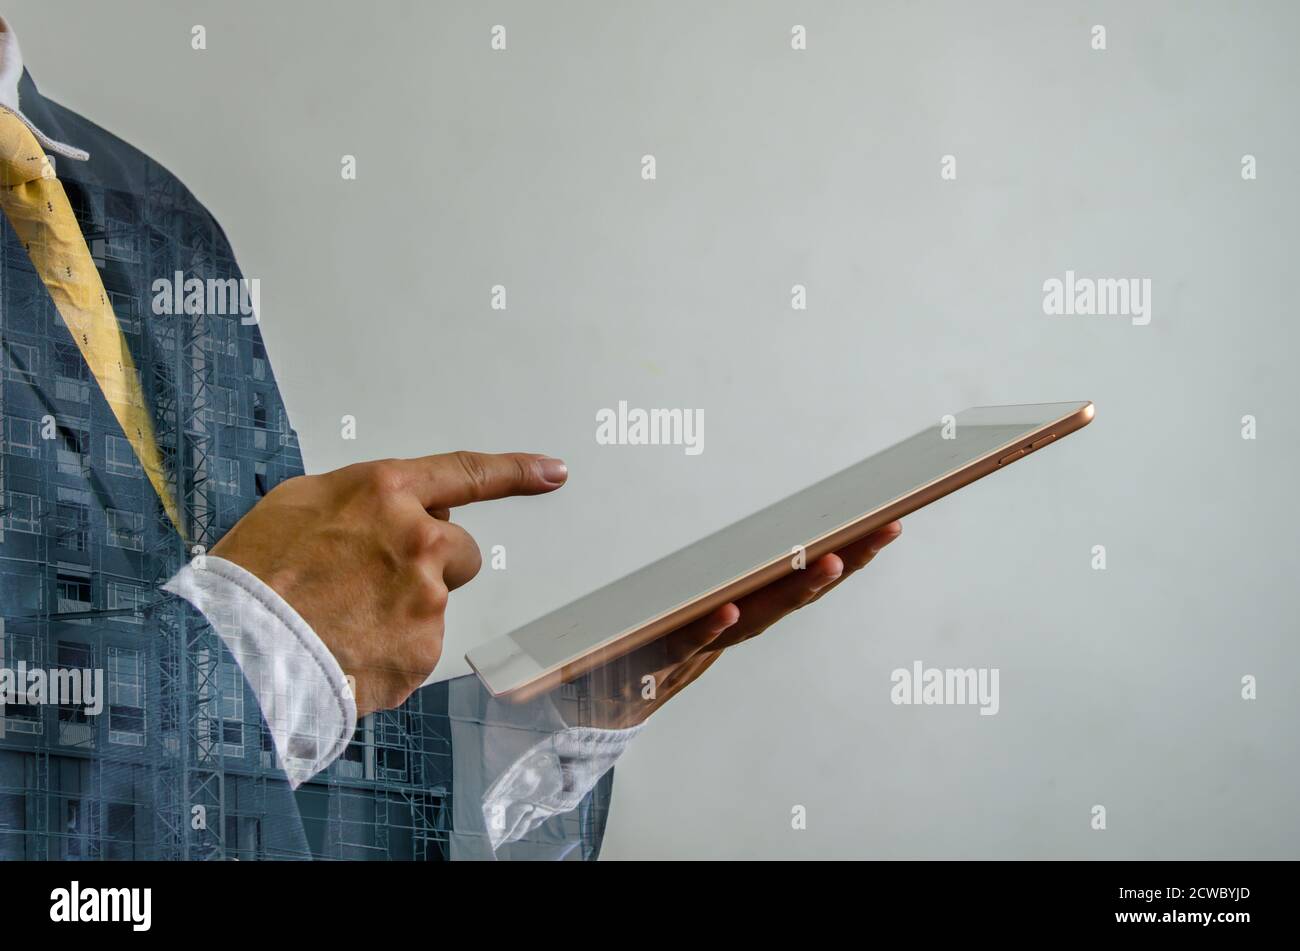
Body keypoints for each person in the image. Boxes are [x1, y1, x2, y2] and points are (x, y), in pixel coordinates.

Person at [0, 15, 900, 860]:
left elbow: (259, 791)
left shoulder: (157, 215)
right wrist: (254, 649)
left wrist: (538, 730)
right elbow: (231, 680)